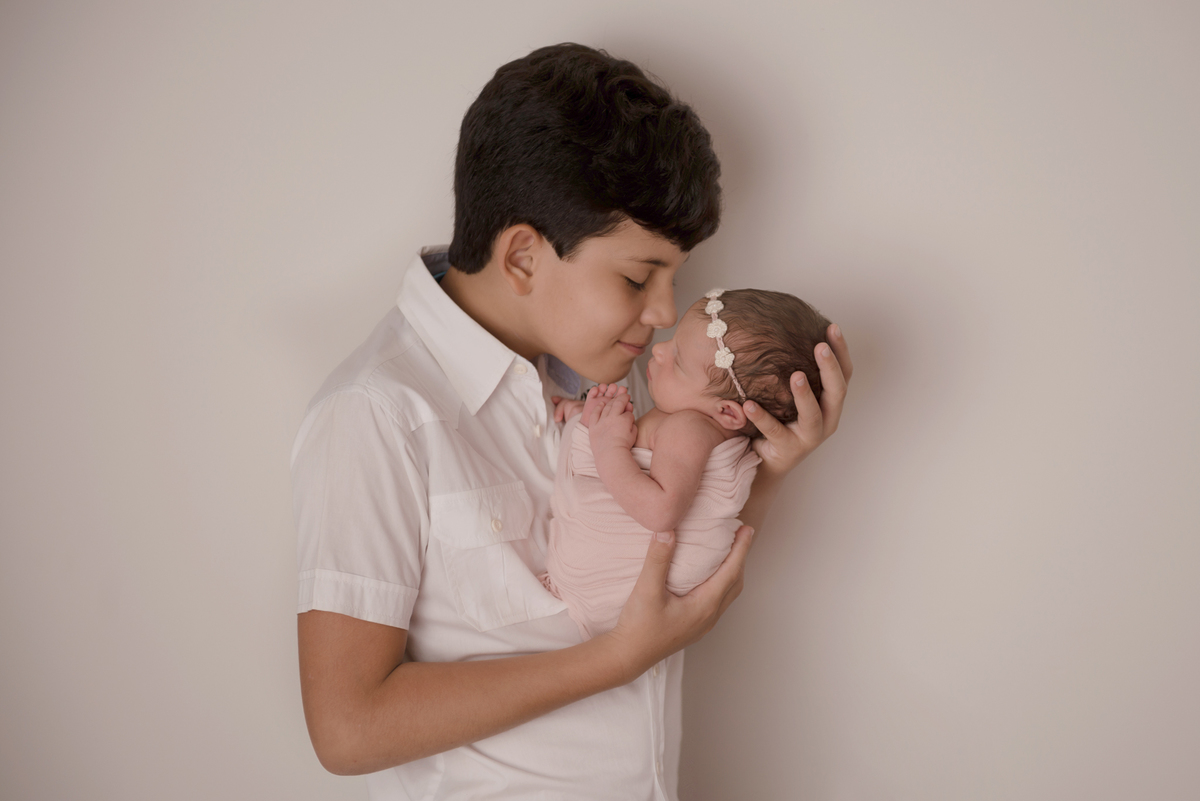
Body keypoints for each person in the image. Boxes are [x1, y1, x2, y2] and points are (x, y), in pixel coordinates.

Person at [292, 43, 851, 799]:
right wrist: (615, 659)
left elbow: (669, 559)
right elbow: (348, 727)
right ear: (522, 256)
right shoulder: (378, 415)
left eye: (674, 279)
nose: (661, 316)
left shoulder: (607, 386)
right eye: (636, 276)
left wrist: (773, 464)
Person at [542, 288, 830, 639]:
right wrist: (593, 416)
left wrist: (607, 445)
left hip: (611, 584)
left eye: (676, 360)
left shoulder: (688, 428)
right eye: (672, 341)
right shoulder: (700, 426)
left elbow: (659, 512)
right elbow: (645, 452)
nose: (658, 350)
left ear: (726, 412)